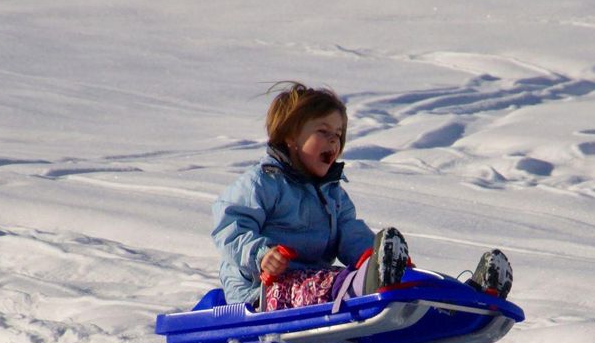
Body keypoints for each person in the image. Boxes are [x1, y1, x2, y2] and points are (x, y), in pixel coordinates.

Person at [211, 81, 512, 311]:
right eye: (323, 131)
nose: (334, 140)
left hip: (314, 281)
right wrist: (262, 256)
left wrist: (372, 256)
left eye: (339, 134)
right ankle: (379, 283)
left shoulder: (332, 193)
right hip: (263, 290)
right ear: (290, 137)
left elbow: (349, 233)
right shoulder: (263, 182)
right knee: (334, 284)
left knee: (351, 278)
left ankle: (468, 296)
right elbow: (229, 228)